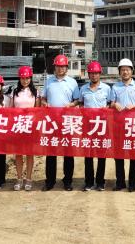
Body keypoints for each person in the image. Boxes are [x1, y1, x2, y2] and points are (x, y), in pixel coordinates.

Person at [41, 55, 79, 191]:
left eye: (63, 66)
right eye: (58, 66)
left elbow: (77, 100)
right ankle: (50, 181)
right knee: (51, 152)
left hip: (67, 121)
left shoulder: (72, 82)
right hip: (52, 122)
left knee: (68, 152)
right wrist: (45, 104)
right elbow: (43, 98)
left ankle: (67, 180)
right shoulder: (49, 82)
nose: (60, 69)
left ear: (66, 68)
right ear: (55, 67)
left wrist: (71, 104)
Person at [109, 58, 135, 192]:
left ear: (131, 71)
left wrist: (134, 106)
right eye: (123, 70)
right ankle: (120, 182)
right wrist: (115, 104)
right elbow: (110, 103)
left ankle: (132, 183)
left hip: (134, 126)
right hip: (118, 125)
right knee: (119, 155)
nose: (125, 72)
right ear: (119, 72)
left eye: (127, 70)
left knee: (134, 155)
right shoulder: (115, 87)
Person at [75, 61, 112, 191]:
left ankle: (100, 182)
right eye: (91, 73)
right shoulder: (83, 89)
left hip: (102, 125)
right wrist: (83, 112)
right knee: (88, 154)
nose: (94, 75)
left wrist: (106, 109)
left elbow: (110, 104)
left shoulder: (107, 88)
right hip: (88, 125)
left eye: (96, 73)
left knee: (101, 154)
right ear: (88, 74)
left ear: (100, 74)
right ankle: (89, 182)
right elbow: (80, 104)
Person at [12, 66, 38, 191]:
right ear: (19, 79)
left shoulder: (35, 92)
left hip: (30, 126)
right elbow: (11, 109)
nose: (25, 80)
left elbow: (38, 110)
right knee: (18, 154)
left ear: (31, 78)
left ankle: (28, 179)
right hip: (18, 126)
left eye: (27, 78)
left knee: (29, 153)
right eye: (23, 78)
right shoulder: (14, 92)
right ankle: (19, 178)